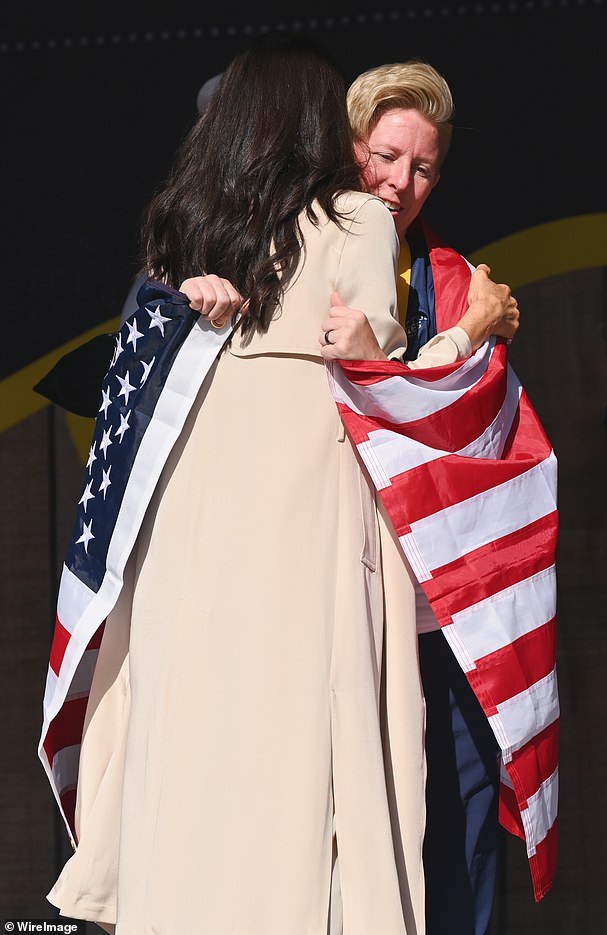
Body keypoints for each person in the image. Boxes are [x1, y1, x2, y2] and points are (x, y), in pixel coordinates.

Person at [41, 35, 489, 935]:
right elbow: (385, 381)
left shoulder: (184, 241)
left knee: (196, 738)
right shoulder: (356, 222)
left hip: (188, 535)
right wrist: (470, 330)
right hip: (308, 515)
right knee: (304, 756)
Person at [319, 61, 519, 935]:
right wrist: (454, 343)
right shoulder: (308, 254)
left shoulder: (450, 275)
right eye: (385, 155)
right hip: (344, 597)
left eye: (424, 166)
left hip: (446, 602)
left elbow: (463, 431)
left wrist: (470, 336)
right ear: (349, 148)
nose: (401, 182)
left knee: (466, 822)